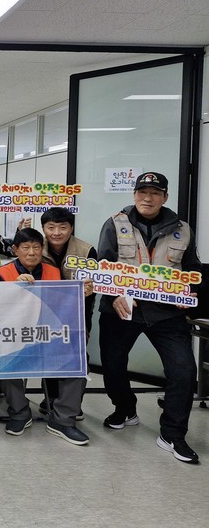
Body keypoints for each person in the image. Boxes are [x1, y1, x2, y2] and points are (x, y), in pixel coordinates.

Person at [97, 171, 201, 464]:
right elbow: (104, 265)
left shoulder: (182, 228)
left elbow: (192, 269)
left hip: (166, 314)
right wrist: (113, 295)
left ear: (165, 197)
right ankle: (125, 409)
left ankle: (173, 435)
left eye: (155, 193)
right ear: (134, 195)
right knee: (113, 366)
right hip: (122, 309)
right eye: (142, 192)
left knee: (183, 371)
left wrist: (187, 292)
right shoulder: (115, 223)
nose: (148, 198)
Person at [0, 228, 90, 446]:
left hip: (49, 336)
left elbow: (62, 304)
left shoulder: (53, 271)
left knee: (79, 360)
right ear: (15, 249)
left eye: (36, 247)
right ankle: (19, 412)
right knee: (3, 360)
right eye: (26, 247)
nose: (31, 252)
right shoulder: (2, 273)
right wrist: (15, 289)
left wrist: (81, 293)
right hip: (17, 337)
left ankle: (63, 419)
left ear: (42, 248)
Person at [39, 207, 97, 418]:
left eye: (62, 227)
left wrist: (85, 323)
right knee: (49, 357)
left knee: (76, 358)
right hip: (45, 315)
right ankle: (50, 399)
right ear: (43, 228)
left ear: (71, 228)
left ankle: (71, 404)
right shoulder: (36, 248)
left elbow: (91, 292)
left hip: (75, 315)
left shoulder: (86, 251)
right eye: (51, 227)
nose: (56, 233)